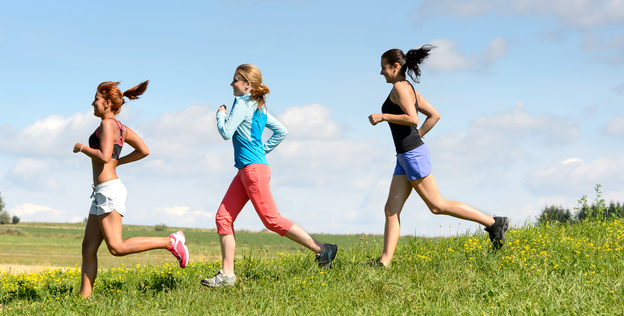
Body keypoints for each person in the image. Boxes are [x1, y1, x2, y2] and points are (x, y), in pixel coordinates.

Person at [368, 46, 509, 268]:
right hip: (406, 156)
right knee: (391, 210)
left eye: (383, 68)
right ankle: (383, 263)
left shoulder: (399, 87)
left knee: (437, 206)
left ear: (395, 67)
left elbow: (413, 118)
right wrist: (418, 137)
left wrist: (384, 116)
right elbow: (435, 115)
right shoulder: (408, 88)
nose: (381, 73)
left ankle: (494, 223)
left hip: (412, 155)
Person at [201, 64, 337, 288]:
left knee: (272, 220)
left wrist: (221, 115)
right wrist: (261, 152)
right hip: (248, 169)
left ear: (248, 84)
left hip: (253, 171)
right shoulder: (259, 106)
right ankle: (227, 275)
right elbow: (281, 131)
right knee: (223, 217)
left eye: (236, 80)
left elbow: (226, 132)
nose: (231, 84)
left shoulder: (243, 103)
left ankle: (323, 250)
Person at [73, 80, 189, 298]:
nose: (92, 103)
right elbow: (143, 150)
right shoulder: (121, 128)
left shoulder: (108, 125)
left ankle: (171, 242)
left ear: (107, 103)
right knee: (88, 248)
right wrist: (118, 163)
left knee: (116, 247)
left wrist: (83, 148)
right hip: (101, 192)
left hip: (108, 190)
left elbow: (105, 156)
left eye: (96, 99)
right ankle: (83, 300)